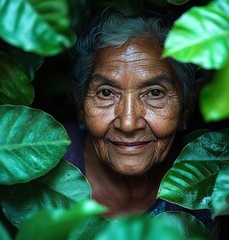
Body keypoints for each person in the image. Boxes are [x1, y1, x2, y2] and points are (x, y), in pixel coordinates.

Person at [64, 8, 211, 229]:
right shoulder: (42, 170)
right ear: (80, 103)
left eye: (154, 93)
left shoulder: (214, 190)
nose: (129, 123)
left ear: (187, 105)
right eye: (106, 93)